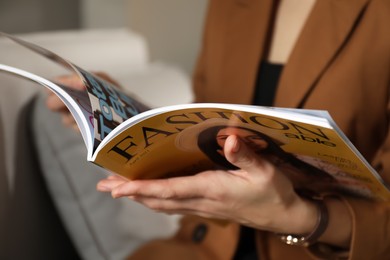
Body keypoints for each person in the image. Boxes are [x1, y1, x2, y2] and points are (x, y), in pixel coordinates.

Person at [47, 0, 390, 259]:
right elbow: (209, 127)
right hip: (201, 246)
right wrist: (123, 111)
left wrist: (297, 217)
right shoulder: (229, 6)